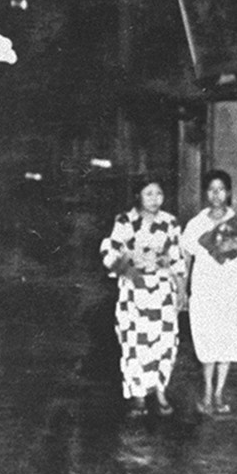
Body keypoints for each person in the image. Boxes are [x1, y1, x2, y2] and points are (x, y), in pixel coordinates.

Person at [99, 177, 183, 417]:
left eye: (158, 193)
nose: (154, 199)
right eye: (149, 194)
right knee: (135, 342)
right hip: (135, 290)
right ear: (138, 196)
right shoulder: (125, 221)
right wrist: (127, 267)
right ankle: (138, 396)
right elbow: (109, 253)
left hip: (162, 289)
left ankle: (160, 390)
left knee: (165, 341)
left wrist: (181, 289)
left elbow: (177, 258)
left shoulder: (170, 222)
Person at [180, 169, 237, 414]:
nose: (216, 194)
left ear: (229, 192)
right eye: (211, 189)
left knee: (228, 341)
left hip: (231, 290)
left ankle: (219, 393)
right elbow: (186, 257)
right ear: (205, 193)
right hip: (205, 289)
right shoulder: (196, 224)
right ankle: (205, 391)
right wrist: (183, 290)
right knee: (207, 341)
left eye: (221, 189)